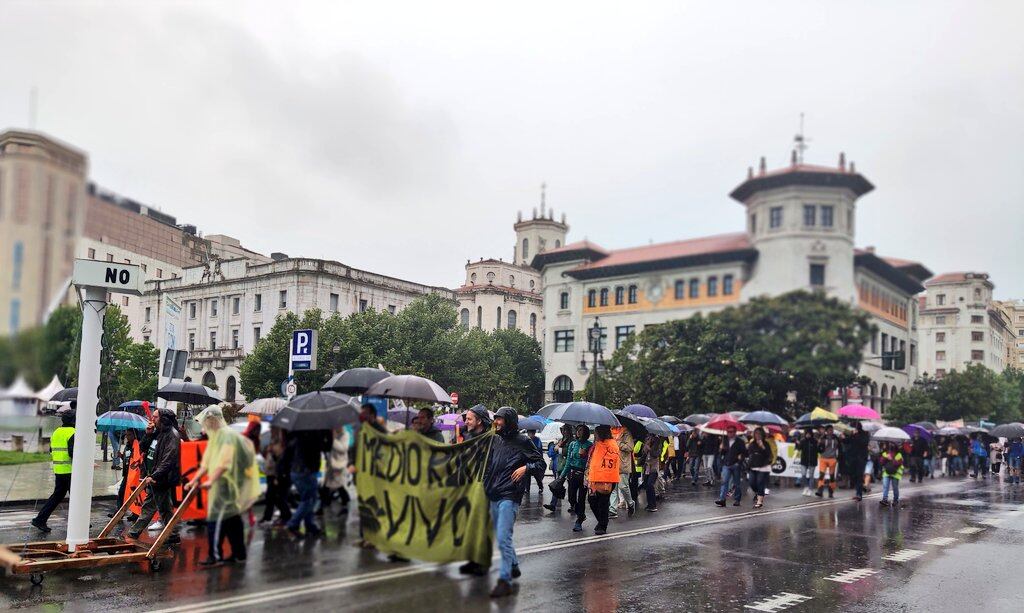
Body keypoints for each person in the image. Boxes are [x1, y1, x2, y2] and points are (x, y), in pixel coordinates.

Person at [484, 407, 545, 598]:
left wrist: (526, 468)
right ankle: (514, 564)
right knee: (501, 535)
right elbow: (489, 466)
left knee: (503, 537)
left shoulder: (523, 441)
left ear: (509, 421)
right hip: (493, 494)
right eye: (495, 419)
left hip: (510, 495)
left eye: (500, 419)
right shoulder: (496, 440)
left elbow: (541, 464)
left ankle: (504, 581)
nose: (496, 422)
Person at [188, 406, 260, 565]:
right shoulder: (216, 437)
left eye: (207, 421)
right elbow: (207, 462)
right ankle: (239, 554)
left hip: (226, 485)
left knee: (216, 520)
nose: (205, 425)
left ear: (213, 420)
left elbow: (225, 463)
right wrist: (195, 480)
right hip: (223, 484)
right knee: (232, 520)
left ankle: (215, 556)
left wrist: (211, 480)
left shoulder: (227, 436)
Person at [127, 408, 182, 544]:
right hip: (153, 475)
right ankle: (173, 535)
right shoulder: (158, 432)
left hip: (162, 478)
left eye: (156, 417)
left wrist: (155, 476)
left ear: (163, 419)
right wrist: (148, 434)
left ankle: (133, 533)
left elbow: (168, 459)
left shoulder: (172, 435)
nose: (152, 420)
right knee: (163, 508)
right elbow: (142, 448)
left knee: (152, 507)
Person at [32, 406, 76, 532]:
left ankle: (40, 520)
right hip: (71, 470)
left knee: (57, 496)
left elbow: (52, 450)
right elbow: (73, 453)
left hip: (59, 470)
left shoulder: (56, 432)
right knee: (76, 498)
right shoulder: (73, 432)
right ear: (74, 420)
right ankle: (80, 523)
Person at [285, 428, 333, 537]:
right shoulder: (314, 433)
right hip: (306, 471)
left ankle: (310, 525)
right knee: (309, 500)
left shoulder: (299, 432)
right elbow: (326, 447)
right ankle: (293, 524)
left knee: (310, 498)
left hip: (296, 470)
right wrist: (328, 432)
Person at [586, 425, 619, 535]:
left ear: (601, 433)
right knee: (592, 500)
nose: (595, 435)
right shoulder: (597, 445)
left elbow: (610, 461)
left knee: (603, 502)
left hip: (607, 478)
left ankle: (603, 525)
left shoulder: (610, 445)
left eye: (596, 433)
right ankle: (601, 521)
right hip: (594, 477)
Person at [560, 425, 593, 531]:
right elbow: (568, 462)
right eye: (578, 430)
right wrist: (562, 476)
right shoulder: (573, 444)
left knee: (581, 499)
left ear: (586, 432)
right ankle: (580, 513)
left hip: (584, 475)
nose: (578, 432)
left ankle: (579, 520)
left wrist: (584, 456)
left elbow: (591, 462)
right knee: (571, 497)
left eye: (581, 430)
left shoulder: (590, 445)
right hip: (572, 474)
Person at [260, 427, 292, 527]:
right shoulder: (274, 440)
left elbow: (280, 460)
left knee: (276, 497)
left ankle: (285, 516)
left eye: (273, 428)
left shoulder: (282, 442)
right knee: (272, 497)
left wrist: (277, 477)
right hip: (271, 473)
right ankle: (272, 517)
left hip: (276, 474)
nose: (271, 430)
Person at [319, 426, 351, 518]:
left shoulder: (345, 435)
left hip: (339, 465)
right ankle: (323, 506)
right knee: (327, 486)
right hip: (331, 464)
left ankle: (345, 504)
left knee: (339, 486)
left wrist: (333, 439)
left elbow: (343, 449)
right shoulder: (332, 434)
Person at [715, 426, 746, 507]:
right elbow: (722, 453)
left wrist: (739, 461)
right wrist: (721, 449)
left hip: (736, 464)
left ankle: (737, 499)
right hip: (726, 464)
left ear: (735, 432)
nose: (730, 433)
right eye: (728, 431)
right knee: (724, 482)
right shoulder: (725, 441)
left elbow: (744, 453)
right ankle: (722, 499)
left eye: (731, 431)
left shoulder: (740, 441)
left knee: (736, 483)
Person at [611, 428, 635, 517]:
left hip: (622, 464)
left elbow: (630, 447)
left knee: (623, 487)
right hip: (612, 464)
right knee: (612, 488)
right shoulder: (609, 432)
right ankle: (612, 509)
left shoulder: (626, 432)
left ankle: (630, 503)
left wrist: (618, 443)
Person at [746, 427, 771, 509]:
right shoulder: (752, 443)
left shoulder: (766, 443)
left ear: (762, 435)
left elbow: (768, 454)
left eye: (759, 434)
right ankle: (758, 492)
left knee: (760, 482)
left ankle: (759, 501)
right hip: (753, 466)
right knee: (752, 483)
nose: (758, 435)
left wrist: (762, 447)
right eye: (756, 433)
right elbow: (749, 454)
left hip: (763, 466)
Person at [846, 421, 870, 502]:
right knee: (853, 475)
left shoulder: (865, 434)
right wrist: (843, 438)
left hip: (861, 458)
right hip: (852, 458)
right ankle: (860, 487)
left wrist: (856, 435)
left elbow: (864, 443)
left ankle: (859, 494)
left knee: (859, 475)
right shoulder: (852, 434)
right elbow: (848, 442)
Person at [816, 425, 839, 498]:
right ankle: (820, 490)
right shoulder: (822, 438)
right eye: (829, 430)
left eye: (832, 430)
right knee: (821, 475)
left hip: (832, 459)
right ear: (826, 431)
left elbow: (840, 447)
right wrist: (819, 443)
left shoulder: (836, 438)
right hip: (823, 458)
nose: (831, 431)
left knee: (832, 476)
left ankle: (831, 491)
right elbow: (818, 449)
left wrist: (838, 457)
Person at [878, 442, 904, 508]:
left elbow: (899, 463)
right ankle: (885, 499)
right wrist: (886, 458)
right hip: (886, 473)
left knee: (895, 487)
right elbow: (881, 462)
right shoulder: (885, 453)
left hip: (896, 473)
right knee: (885, 486)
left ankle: (895, 500)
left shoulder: (899, 454)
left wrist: (892, 459)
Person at [642, 434, 662, 512]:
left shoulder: (658, 442)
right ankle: (649, 504)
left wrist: (649, 449)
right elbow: (643, 453)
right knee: (646, 486)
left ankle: (653, 505)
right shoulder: (647, 439)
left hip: (654, 468)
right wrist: (645, 448)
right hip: (647, 467)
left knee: (650, 485)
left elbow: (656, 454)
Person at [797, 429, 818, 496]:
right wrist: (797, 443)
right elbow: (799, 448)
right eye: (807, 433)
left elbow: (818, 450)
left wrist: (819, 444)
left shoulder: (815, 441)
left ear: (811, 434)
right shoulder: (802, 441)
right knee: (803, 474)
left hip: (812, 461)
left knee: (811, 476)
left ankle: (810, 489)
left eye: (809, 434)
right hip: (804, 460)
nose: (808, 435)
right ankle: (806, 487)